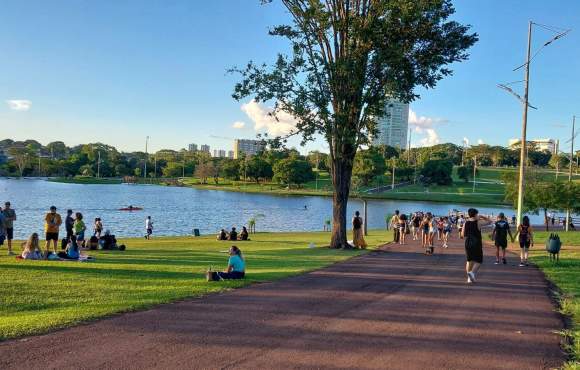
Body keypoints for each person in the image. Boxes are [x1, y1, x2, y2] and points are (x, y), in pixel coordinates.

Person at [462, 208, 492, 284]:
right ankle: (472, 273)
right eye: (477, 214)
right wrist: (482, 216)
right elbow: (490, 221)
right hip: (476, 243)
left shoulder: (466, 223)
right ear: (475, 214)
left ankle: (469, 278)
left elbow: (462, 235)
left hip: (468, 242)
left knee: (469, 260)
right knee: (479, 260)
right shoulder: (478, 222)